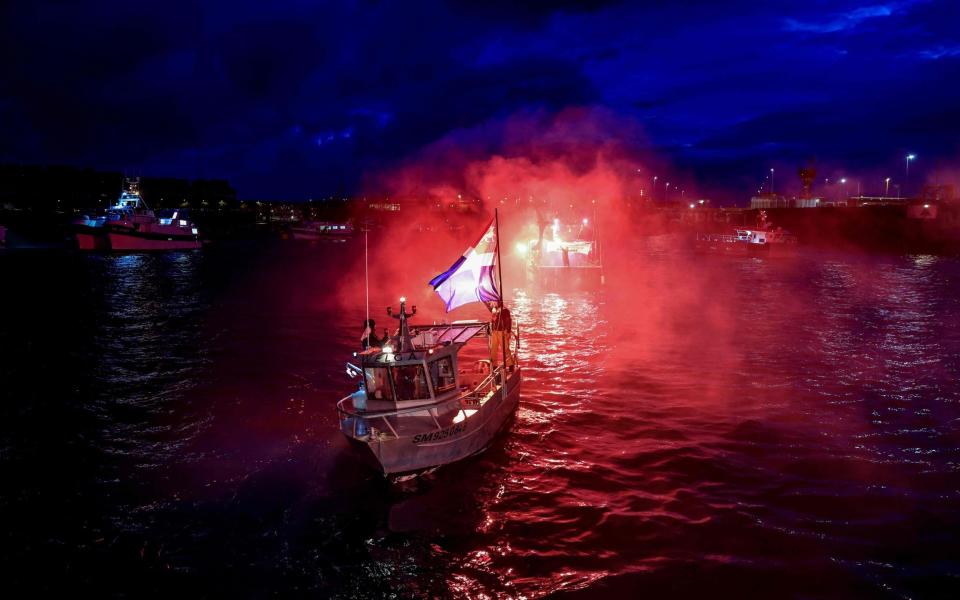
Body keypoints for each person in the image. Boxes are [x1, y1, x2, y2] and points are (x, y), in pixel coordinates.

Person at [488, 302, 516, 372]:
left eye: (495, 302)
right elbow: (492, 320)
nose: (494, 303)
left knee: (505, 349)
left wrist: (508, 331)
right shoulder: (494, 309)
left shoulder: (505, 310)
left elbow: (508, 321)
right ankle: (494, 365)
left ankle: (510, 364)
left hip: (502, 332)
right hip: (494, 332)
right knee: (493, 349)